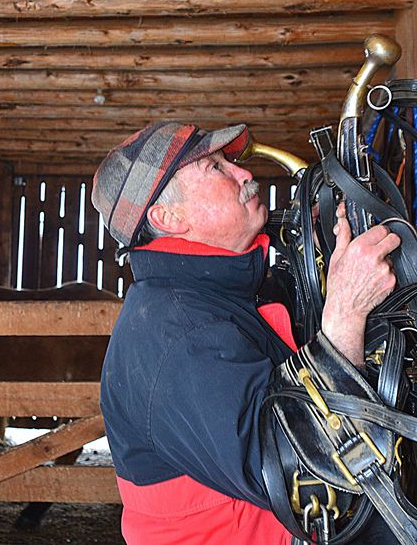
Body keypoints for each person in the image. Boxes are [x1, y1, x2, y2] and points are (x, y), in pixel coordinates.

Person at [91, 121, 400, 544]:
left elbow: (289, 374)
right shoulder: (175, 333)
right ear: (169, 217)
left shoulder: (223, 293)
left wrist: (318, 249)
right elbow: (307, 474)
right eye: (216, 168)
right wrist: (346, 310)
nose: (244, 173)